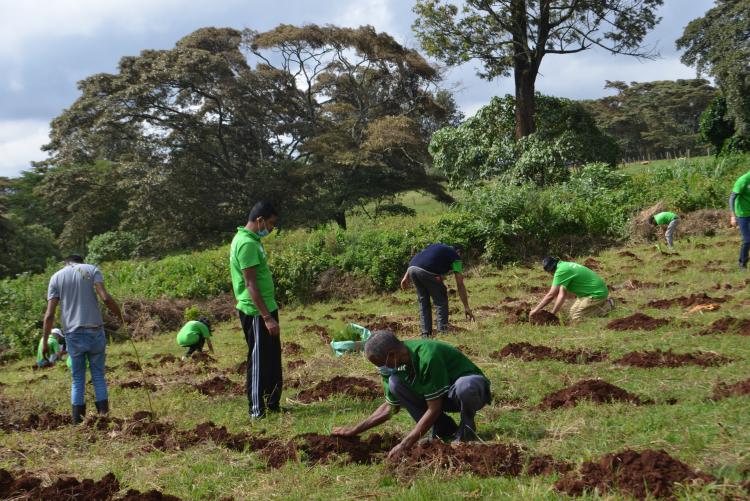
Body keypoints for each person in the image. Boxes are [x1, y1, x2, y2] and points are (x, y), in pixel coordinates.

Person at [332, 331, 491, 457]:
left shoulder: (427, 356)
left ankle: (466, 430)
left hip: (468, 391)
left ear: (392, 355)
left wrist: (406, 443)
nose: (382, 368)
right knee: (395, 383)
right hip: (439, 394)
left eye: (381, 363)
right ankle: (444, 430)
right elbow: (390, 408)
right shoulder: (396, 365)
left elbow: (434, 408)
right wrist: (355, 430)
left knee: (465, 386)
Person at [42, 254, 124, 424]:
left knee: (78, 379)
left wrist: (44, 342)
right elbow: (106, 298)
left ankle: (78, 423)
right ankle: (104, 418)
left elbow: (49, 315)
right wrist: (121, 317)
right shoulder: (92, 269)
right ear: (81, 261)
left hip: (73, 333)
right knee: (98, 376)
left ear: (66, 263)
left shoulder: (56, 277)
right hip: (95, 330)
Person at [230, 201, 282, 419]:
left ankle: (272, 404)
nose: (270, 229)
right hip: (256, 313)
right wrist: (267, 317)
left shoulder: (251, 240)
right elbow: (250, 284)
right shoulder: (246, 244)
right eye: (270, 224)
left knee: (272, 359)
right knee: (259, 361)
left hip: (267, 309)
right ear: (259, 220)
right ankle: (256, 410)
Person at [400, 243, 475, 337]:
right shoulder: (456, 257)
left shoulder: (435, 246)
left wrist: (405, 277)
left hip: (412, 269)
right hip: (427, 271)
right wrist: (466, 307)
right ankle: (442, 331)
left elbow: (418, 257)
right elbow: (460, 283)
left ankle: (426, 334)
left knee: (423, 302)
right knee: (441, 300)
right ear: (458, 252)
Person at [529, 257, 613, 323]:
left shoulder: (561, 271)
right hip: (587, 294)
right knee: (572, 314)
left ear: (550, 271)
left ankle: (607, 306)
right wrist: (552, 314)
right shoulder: (563, 265)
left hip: (596, 293)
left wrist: (536, 310)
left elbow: (551, 295)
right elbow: (562, 295)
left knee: (576, 318)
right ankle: (600, 305)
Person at [729, 170, 750, 269]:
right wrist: (733, 216)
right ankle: (742, 262)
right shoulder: (743, 180)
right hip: (742, 215)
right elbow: (732, 198)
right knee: (747, 240)